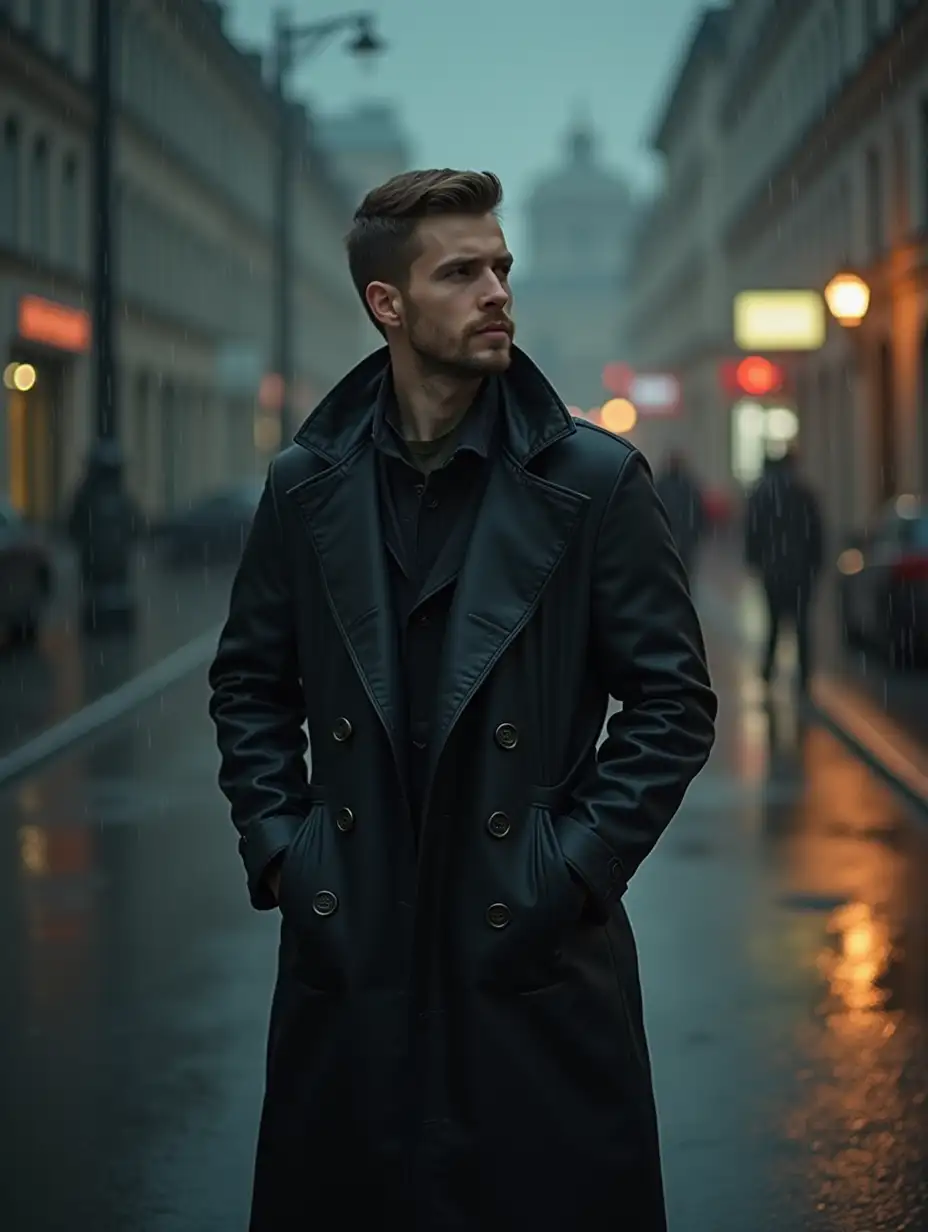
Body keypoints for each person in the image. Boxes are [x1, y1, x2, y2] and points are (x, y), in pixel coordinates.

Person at [208, 168, 717, 1231]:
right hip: (351, 955)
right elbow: (251, 682)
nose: (497, 291)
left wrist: (568, 863)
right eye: (460, 271)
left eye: (501, 266)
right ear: (386, 303)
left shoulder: (592, 481)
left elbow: (671, 705)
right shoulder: (306, 484)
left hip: (527, 955)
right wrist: (284, 846)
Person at [744, 449, 824, 692]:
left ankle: (768, 672)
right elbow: (816, 533)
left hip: (774, 569)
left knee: (774, 622)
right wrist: (815, 564)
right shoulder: (803, 494)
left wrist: (755, 561)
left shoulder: (762, 495)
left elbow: (752, 532)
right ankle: (803, 677)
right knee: (801, 624)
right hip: (799, 570)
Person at [654, 450, 706, 578]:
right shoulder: (688, 486)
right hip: (680, 537)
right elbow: (698, 513)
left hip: (669, 537)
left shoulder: (661, 485)